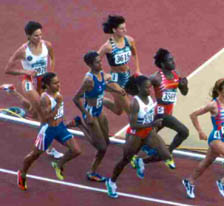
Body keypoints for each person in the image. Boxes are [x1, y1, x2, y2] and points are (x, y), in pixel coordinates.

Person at [105, 75, 172, 198]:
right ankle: (111, 182)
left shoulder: (149, 98)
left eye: (150, 87)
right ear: (139, 88)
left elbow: (151, 112)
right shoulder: (135, 103)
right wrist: (152, 124)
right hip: (135, 135)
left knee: (166, 155)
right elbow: (133, 125)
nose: (149, 90)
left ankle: (139, 160)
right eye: (146, 88)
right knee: (125, 160)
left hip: (148, 132)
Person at [3, 21, 63, 158]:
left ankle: (13, 92)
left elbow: (52, 58)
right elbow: (8, 69)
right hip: (29, 82)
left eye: (41, 35)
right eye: (36, 36)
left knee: (34, 111)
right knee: (43, 113)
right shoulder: (23, 51)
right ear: (28, 36)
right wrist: (25, 71)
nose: (39, 38)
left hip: (43, 82)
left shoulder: (47, 45)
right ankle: (48, 147)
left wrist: (50, 75)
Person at [17, 72, 81, 191]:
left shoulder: (57, 94)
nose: (58, 85)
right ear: (47, 85)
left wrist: (65, 123)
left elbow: (60, 113)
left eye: (58, 82)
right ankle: (22, 173)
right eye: (55, 83)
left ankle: (59, 164)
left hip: (60, 127)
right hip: (48, 130)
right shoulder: (45, 98)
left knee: (76, 150)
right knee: (34, 155)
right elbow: (45, 118)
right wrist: (58, 105)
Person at [182, 78, 224, 199]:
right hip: (215, 139)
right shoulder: (213, 105)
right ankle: (223, 183)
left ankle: (189, 181)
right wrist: (200, 132)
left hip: (223, 139)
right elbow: (193, 115)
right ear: (219, 91)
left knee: (206, 162)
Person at [71, 51, 126, 182]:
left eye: (100, 61)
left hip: (99, 111)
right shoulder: (88, 80)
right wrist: (87, 114)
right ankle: (91, 172)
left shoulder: (101, 73)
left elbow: (102, 87)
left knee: (106, 142)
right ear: (90, 64)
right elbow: (76, 98)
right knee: (102, 148)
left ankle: (81, 125)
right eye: (97, 62)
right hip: (91, 114)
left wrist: (116, 90)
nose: (100, 63)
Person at [131, 48, 189, 169]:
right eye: (170, 60)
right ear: (162, 64)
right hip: (159, 113)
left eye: (173, 59)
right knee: (184, 131)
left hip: (168, 113)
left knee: (145, 137)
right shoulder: (156, 78)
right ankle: (169, 153)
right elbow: (142, 86)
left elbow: (184, 92)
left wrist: (184, 86)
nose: (173, 62)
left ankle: (137, 158)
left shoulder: (175, 74)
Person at [98, 15, 141, 116]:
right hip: (115, 80)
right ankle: (136, 131)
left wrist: (138, 69)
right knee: (130, 111)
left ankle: (98, 99)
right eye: (122, 28)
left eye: (125, 28)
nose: (125, 30)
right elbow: (94, 61)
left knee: (118, 111)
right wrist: (103, 74)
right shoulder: (108, 47)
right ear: (114, 30)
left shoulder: (129, 41)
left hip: (127, 75)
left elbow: (135, 54)